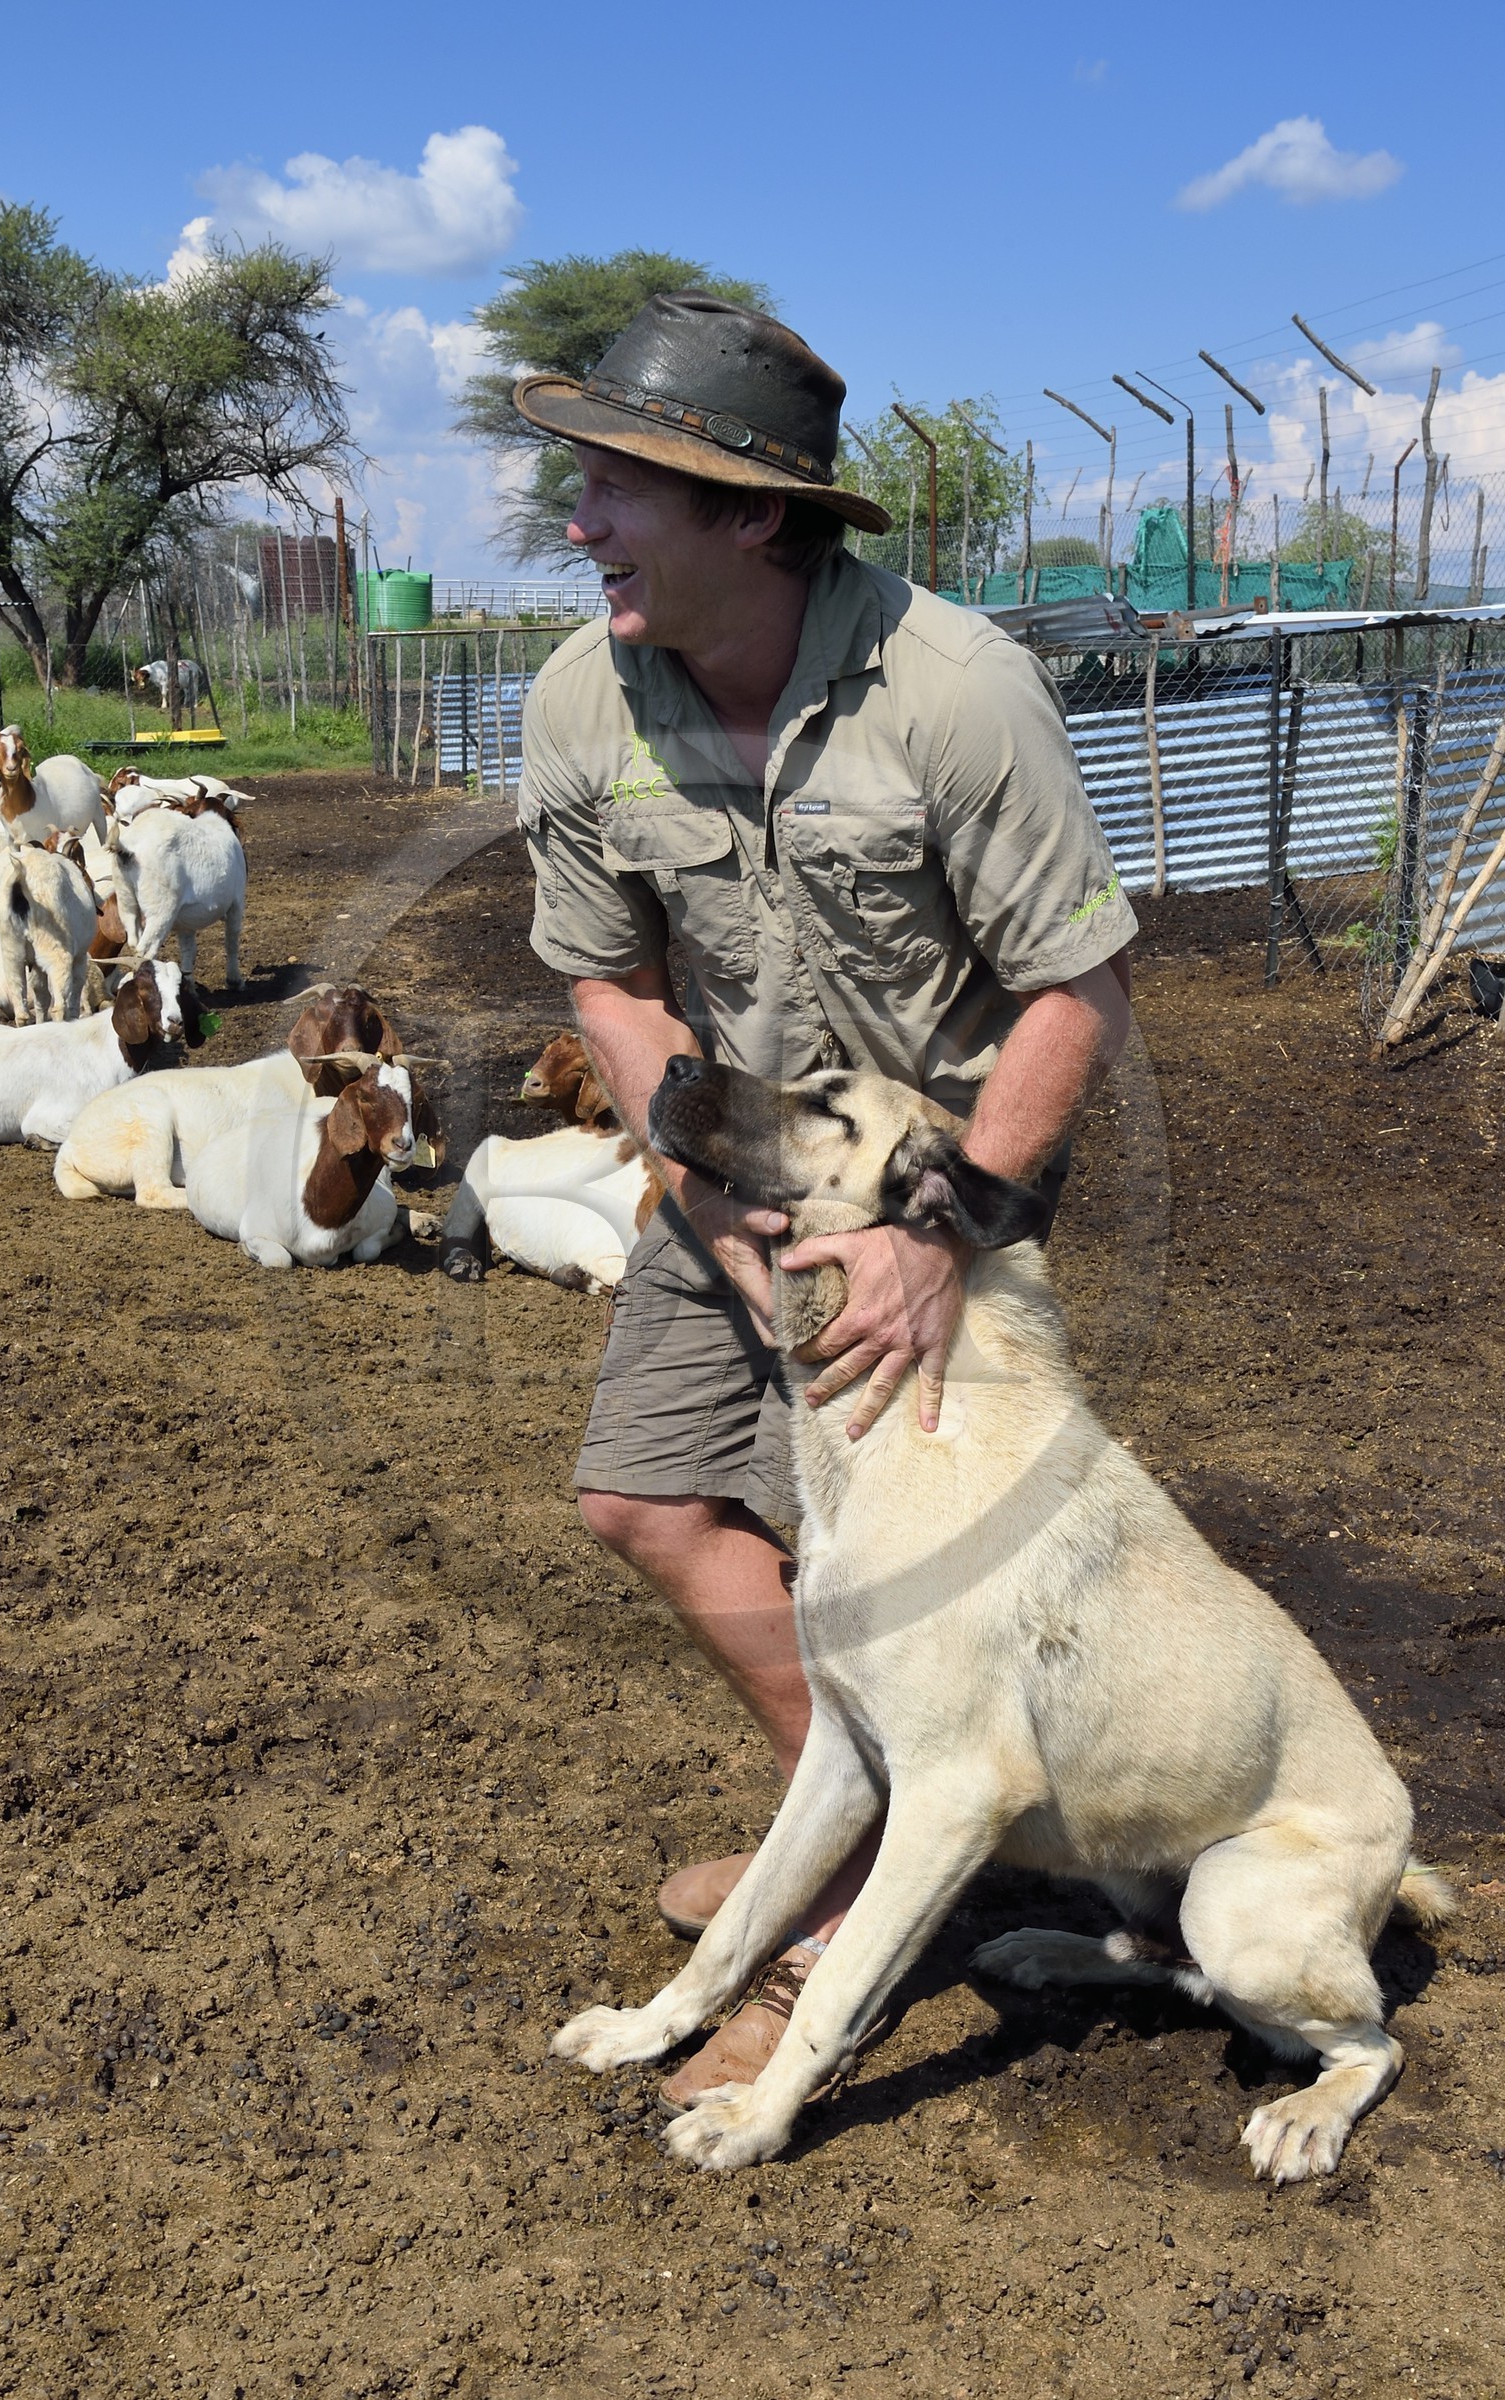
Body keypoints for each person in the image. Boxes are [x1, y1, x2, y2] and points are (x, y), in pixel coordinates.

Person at [511, 293, 1137, 2110]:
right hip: (735, 1158)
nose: (581, 524)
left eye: (621, 488)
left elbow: (1075, 996)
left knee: (895, 1572)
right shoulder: (579, 701)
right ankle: (873, 1850)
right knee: (642, 1498)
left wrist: (942, 1239)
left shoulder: (953, 692)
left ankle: (843, 1914)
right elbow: (611, 986)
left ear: (752, 519)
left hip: (941, 1184)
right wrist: (692, 1190)